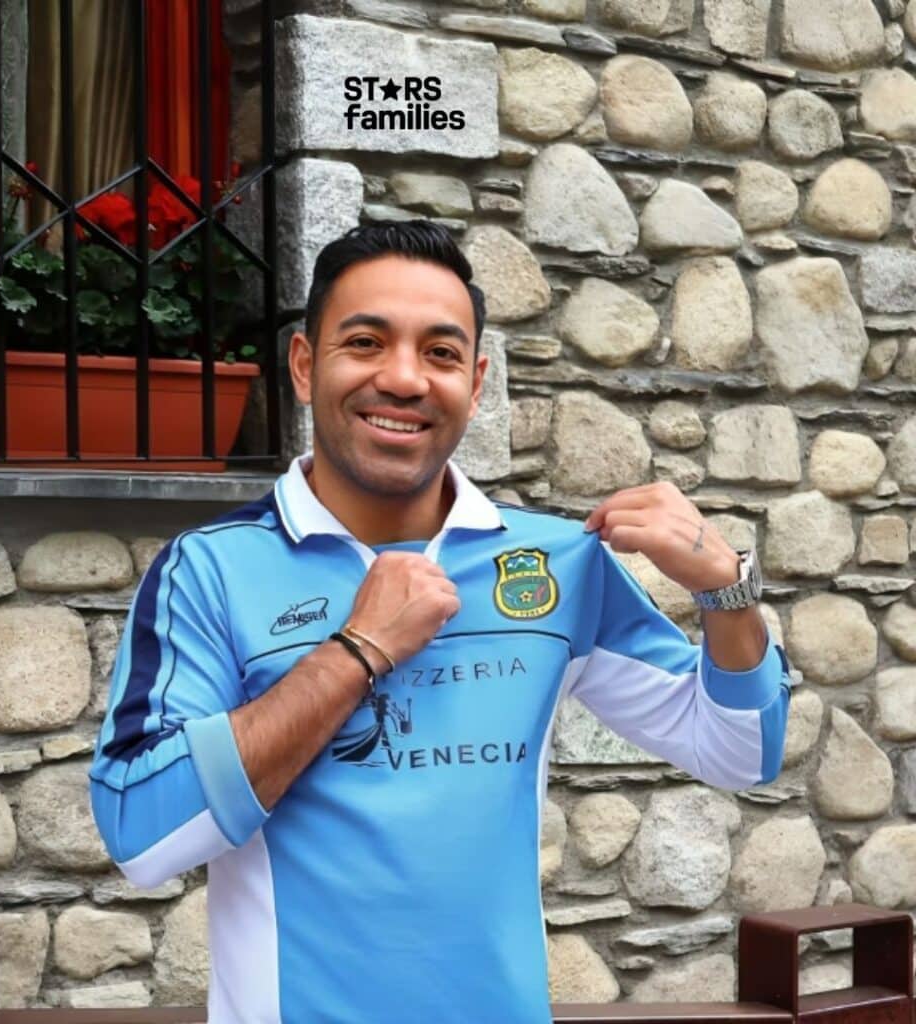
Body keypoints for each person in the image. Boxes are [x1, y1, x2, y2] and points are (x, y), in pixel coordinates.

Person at [89, 220, 791, 1024]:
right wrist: (359, 648)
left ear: (477, 381)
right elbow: (142, 836)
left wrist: (726, 594)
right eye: (365, 342)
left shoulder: (556, 561)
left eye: (441, 353)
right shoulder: (210, 570)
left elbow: (739, 753)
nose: (404, 378)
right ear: (305, 367)